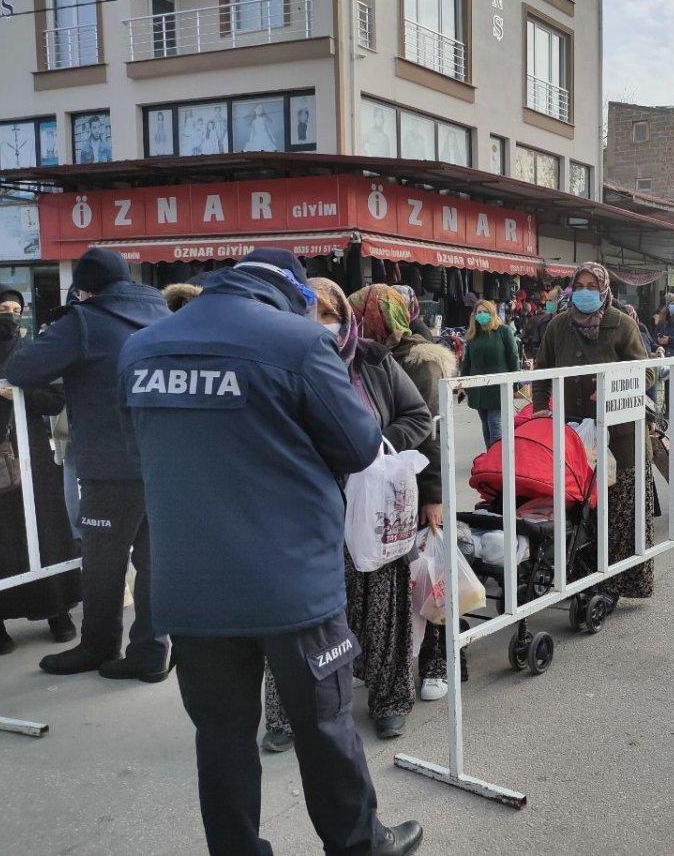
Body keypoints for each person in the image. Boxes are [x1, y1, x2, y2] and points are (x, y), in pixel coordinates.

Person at [119, 250, 423, 856]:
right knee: (325, 725)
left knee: (221, 732)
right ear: (291, 292)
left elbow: (141, 449)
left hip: (190, 585)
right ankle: (360, 844)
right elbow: (361, 445)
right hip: (291, 586)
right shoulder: (299, 344)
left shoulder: (143, 347)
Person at [261, 279, 432, 752]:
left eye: (328, 313)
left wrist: (376, 449)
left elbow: (418, 418)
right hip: (303, 508)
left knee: (382, 601)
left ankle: (390, 699)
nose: (318, 324)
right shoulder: (272, 364)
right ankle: (287, 713)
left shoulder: (374, 361)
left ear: (346, 318)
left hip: (373, 504)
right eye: (306, 312)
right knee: (300, 611)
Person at [5, 248, 171, 682]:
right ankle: (151, 651)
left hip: (110, 462)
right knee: (155, 560)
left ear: (84, 286)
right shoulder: (163, 313)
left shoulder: (83, 321)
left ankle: (98, 645)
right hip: (167, 458)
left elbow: (22, 368)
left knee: (102, 561)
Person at [350, 284, 457, 705]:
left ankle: (435, 664)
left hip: (415, 484)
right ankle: (384, 660)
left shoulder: (420, 362)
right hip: (379, 486)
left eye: (364, 314)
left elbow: (429, 436)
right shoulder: (359, 354)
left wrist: (433, 496)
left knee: (425, 579)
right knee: (393, 583)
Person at [533, 262, 655, 600]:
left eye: (592, 285)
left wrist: (611, 387)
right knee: (583, 511)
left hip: (621, 435)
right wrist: (541, 406)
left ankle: (622, 583)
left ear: (603, 288)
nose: (585, 292)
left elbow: (646, 373)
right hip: (575, 434)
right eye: (580, 285)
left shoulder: (622, 324)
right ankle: (584, 580)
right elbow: (542, 370)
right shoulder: (559, 326)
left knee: (620, 512)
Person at [0, 283, 79, 655]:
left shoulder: (29, 351)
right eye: (1, 310)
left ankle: (57, 612)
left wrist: (21, 393)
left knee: (45, 531)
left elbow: (55, 399)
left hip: (31, 457)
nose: (10, 317)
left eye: (15, 310)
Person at [460, 299, 519, 448]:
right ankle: (490, 460)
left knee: (495, 424)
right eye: (479, 312)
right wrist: (462, 384)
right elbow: (467, 362)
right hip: (478, 390)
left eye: (485, 312)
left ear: (492, 313)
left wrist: (516, 382)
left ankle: (498, 459)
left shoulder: (504, 331)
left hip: (498, 389)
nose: (482, 315)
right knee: (486, 426)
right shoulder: (473, 335)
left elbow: (513, 357)